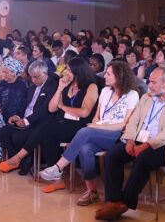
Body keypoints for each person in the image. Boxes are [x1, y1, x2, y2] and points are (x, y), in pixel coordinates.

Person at [95, 66, 165, 221]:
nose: (149, 86)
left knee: (144, 158)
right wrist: (129, 140)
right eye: (149, 82)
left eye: (154, 82)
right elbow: (133, 121)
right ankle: (113, 201)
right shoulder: (146, 97)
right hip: (140, 139)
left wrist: (147, 145)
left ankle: (125, 202)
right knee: (113, 155)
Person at [39, 61, 140, 205]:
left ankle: (58, 167)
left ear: (119, 76)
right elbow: (96, 117)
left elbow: (125, 124)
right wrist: (96, 126)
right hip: (99, 131)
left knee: (85, 132)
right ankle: (91, 191)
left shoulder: (132, 95)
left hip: (118, 134)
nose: (104, 76)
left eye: (108, 74)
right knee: (85, 148)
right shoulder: (105, 91)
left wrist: (97, 127)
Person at [0, 57, 99, 175]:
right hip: (63, 122)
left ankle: (18, 158)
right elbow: (52, 108)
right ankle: (53, 172)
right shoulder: (67, 85)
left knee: (46, 126)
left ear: (78, 71)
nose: (66, 72)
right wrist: (60, 88)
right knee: (47, 133)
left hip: (80, 125)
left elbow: (84, 112)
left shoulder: (91, 87)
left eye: (69, 70)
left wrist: (62, 107)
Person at [0, 60, 60, 175]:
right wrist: (17, 116)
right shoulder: (32, 86)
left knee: (18, 136)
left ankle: (23, 160)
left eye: (36, 77)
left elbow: (45, 110)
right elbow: (25, 106)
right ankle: (24, 161)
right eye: (31, 77)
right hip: (26, 119)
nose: (33, 80)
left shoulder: (53, 87)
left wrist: (26, 121)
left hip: (40, 122)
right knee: (2, 132)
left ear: (45, 73)